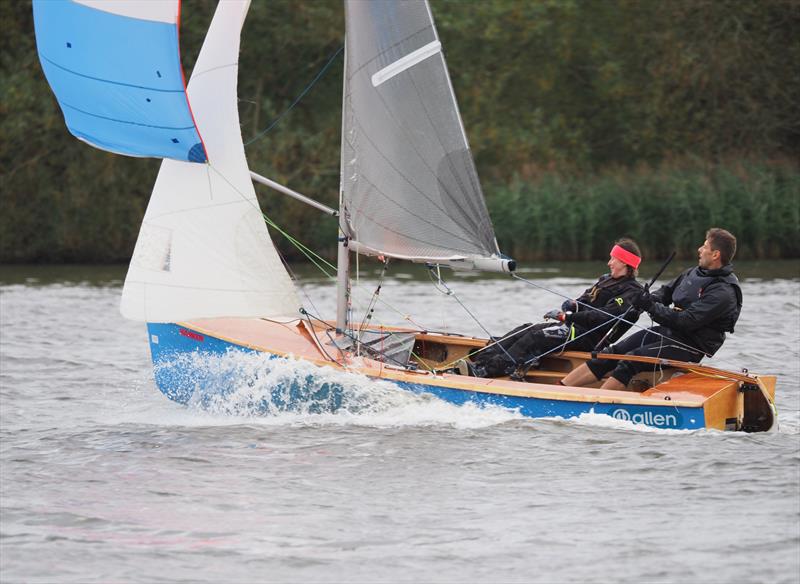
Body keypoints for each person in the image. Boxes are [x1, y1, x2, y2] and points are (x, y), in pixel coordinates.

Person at [560, 228, 742, 391]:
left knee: (631, 360)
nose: (699, 250)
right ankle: (561, 389)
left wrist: (650, 306)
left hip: (690, 345)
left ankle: (596, 404)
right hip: (668, 333)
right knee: (611, 353)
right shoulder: (693, 272)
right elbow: (665, 292)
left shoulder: (723, 292)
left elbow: (685, 321)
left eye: (704, 247)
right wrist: (646, 299)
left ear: (716, 254)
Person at [468, 238, 645, 378]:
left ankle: (487, 371)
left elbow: (602, 316)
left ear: (624, 262)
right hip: (572, 327)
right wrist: (573, 304)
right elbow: (585, 299)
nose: (609, 262)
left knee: (534, 337)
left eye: (613, 258)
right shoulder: (606, 279)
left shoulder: (631, 291)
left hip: (586, 338)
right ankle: (480, 362)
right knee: (525, 329)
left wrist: (566, 317)